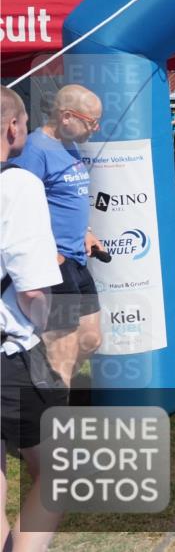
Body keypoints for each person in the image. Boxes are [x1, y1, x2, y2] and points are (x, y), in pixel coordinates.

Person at [1, 86, 66, 552]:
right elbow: (33, 289)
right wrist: (45, 326)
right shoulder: (18, 185)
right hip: (12, 352)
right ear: (11, 127)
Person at [12, 84, 107, 387]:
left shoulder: (70, 143)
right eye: (92, 121)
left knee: (91, 338)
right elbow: (16, 204)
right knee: (61, 350)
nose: (96, 128)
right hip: (54, 264)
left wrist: (87, 232)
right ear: (67, 116)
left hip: (76, 258)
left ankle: (42, 385)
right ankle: (56, 422)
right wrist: (44, 250)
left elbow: (69, 198)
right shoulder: (34, 150)